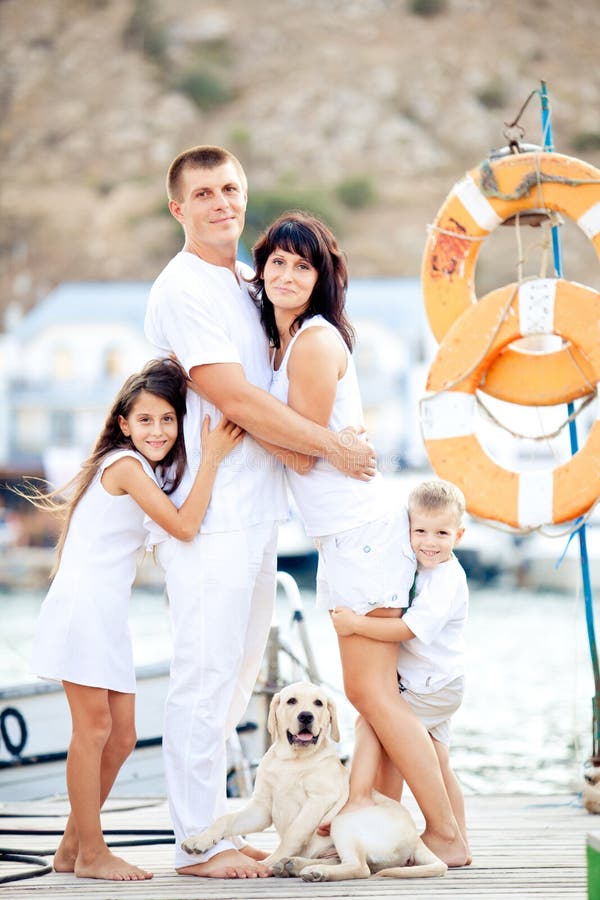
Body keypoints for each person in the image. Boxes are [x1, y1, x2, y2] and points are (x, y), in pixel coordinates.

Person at [143, 145, 376, 880]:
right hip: (206, 511)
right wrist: (333, 447)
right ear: (178, 208)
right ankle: (196, 844)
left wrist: (336, 427)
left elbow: (291, 374)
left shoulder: (250, 281)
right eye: (204, 193)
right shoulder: (184, 288)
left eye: (231, 189)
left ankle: (217, 824)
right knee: (203, 673)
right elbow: (236, 398)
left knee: (239, 673)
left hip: (258, 509)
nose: (221, 202)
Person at [250, 210, 469, 867]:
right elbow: (307, 441)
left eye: (302, 264)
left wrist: (238, 415)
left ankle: (447, 835)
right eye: (277, 263)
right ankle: (398, 821)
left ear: (322, 278)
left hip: (363, 534)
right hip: (348, 535)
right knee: (376, 701)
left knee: (376, 698)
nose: (287, 274)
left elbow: (297, 454)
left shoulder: (313, 344)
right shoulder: (291, 341)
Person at [27, 358, 243, 882]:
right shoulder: (124, 466)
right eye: (145, 420)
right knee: (94, 730)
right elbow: (185, 527)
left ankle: (71, 847)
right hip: (83, 609)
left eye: (168, 419)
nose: (158, 430)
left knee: (122, 737)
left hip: (105, 614)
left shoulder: (140, 469)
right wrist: (212, 456)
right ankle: (93, 854)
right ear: (124, 424)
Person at [330, 478, 471, 862]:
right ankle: (456, 842)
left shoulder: (446, 579)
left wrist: (356, 625)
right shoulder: (425, 570)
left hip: (431, 686)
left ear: (458, 534)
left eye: (441, 533)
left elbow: (408, 630)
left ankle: (359, 804)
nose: (429, 541)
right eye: (419, 531)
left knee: (372, 722)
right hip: (438, 680)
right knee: (438, 760)